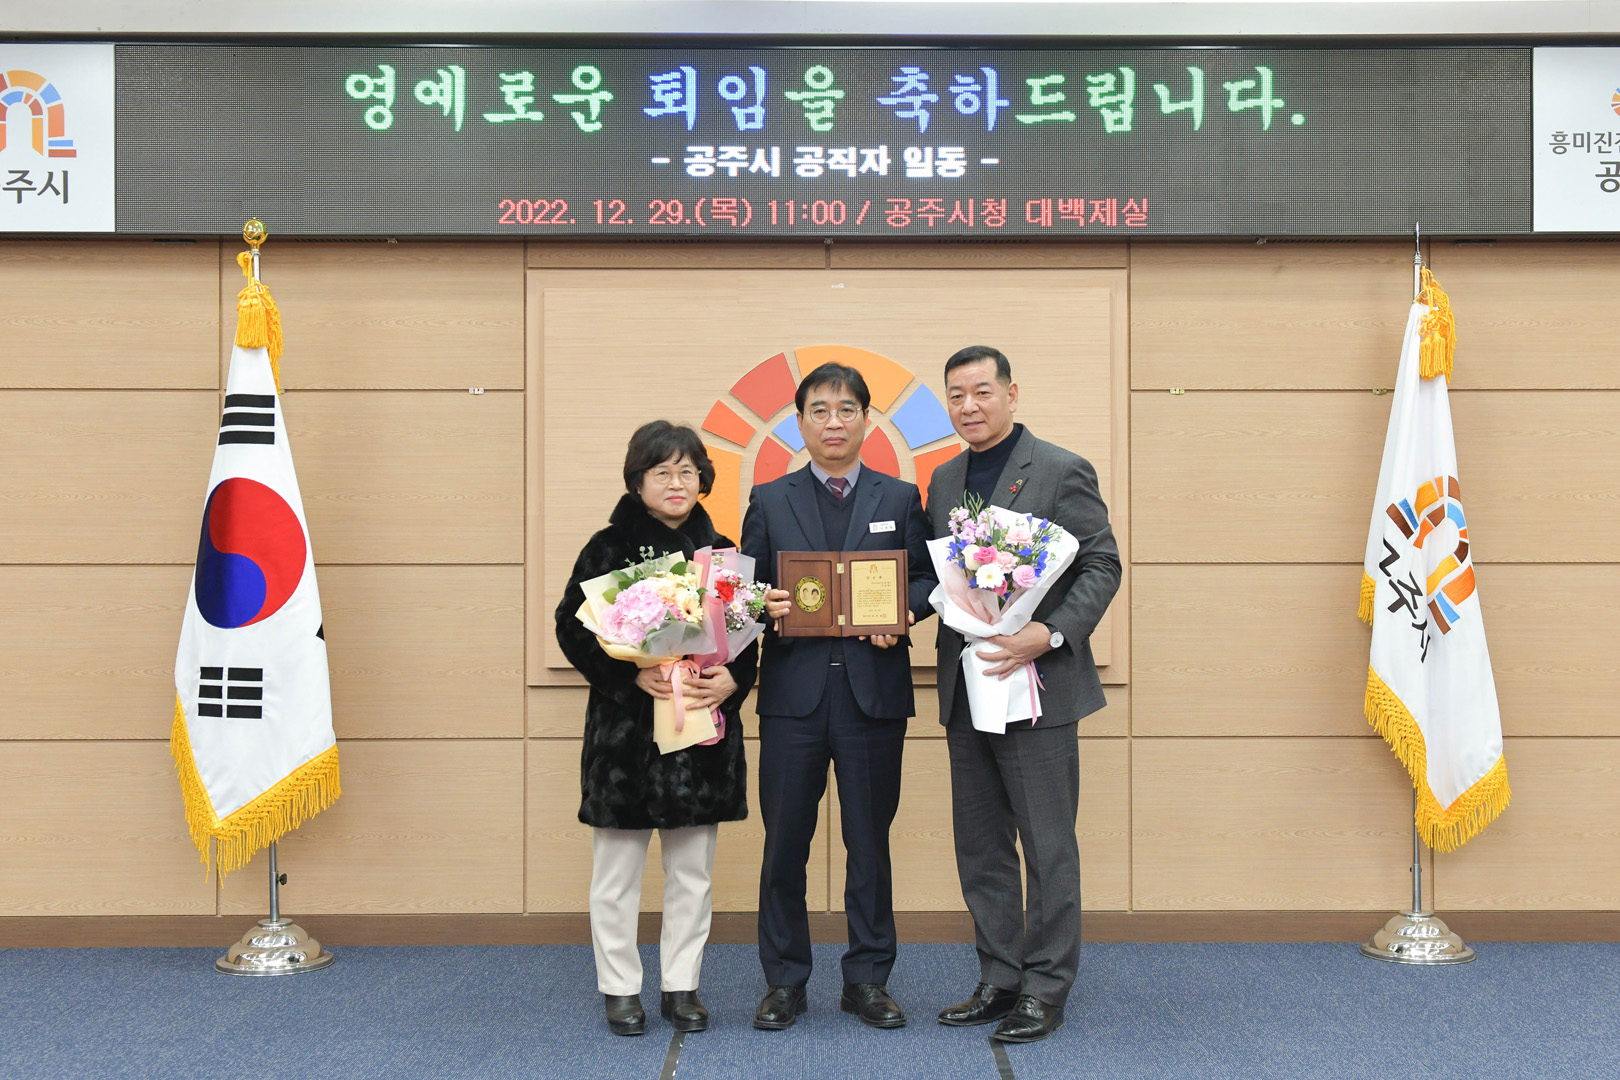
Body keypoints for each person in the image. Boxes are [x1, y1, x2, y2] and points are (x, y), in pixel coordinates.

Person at [926, 346, 1121, 1044]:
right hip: (968, 684)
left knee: (1046, 846)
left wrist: (1051, 631)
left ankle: (1045, 988)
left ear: (1011, 394)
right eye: (956, 395)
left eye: (982, 391)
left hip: (1039, 684)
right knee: (980, 846)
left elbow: (1102, 563)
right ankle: (1000, 976)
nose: (969, 406)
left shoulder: (1061, 469)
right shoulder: (944, 479)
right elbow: (944, 579)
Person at [740, 362, 935, 1032]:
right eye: (819, 410)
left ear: (866, 420)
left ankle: (867, 980)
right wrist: (762, 605)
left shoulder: (900, 497)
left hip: (872, 696)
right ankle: (784, 982)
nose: (833, 422)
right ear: (800, 422)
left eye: (847, 409)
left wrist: (903, 613)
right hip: (791, 698)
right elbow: (743, 594)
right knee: (784, 845)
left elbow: (926, 581)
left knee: (869, 844)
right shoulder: (769, 499)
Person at [554, 421, 757, 1037]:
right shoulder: (607, 548)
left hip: (700, 733)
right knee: (616, 876)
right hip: (626, 741)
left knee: (692, 874)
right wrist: (629, 677)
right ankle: (619, 988)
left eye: (687, 472)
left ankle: (681, 986)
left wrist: (733, 681)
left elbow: (745, 635)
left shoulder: (721, 553)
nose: (676, 483)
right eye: (661, 472)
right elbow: (572, 627)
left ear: (703, 480)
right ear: (637, 481)